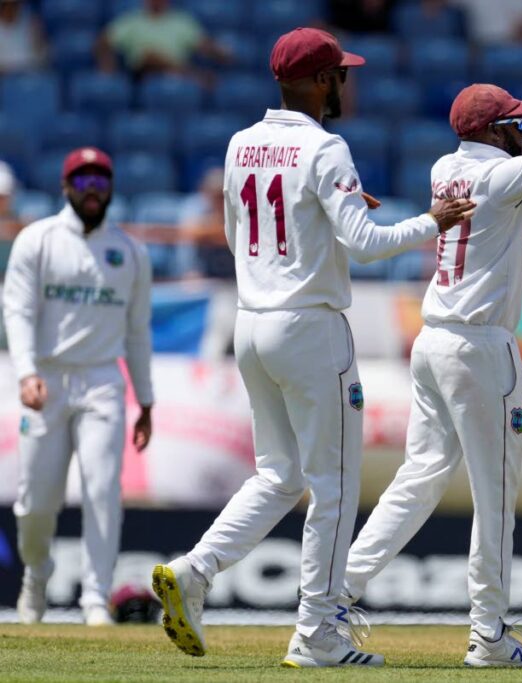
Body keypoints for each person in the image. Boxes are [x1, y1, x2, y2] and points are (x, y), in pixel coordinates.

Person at [150, 28, 473, 668]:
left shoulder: (242, 143)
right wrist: (431, 223)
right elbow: (365, 243)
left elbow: (236, 231)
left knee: (279, 475)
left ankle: (195, 569)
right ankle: (317, 632)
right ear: (323, 81)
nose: (345, 86)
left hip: (250, 321)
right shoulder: (327, 148)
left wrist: (315, 221)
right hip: (310, 327)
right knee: (335, 487)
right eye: (340, 76)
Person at [341, 35, 522, 667]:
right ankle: (490, 635)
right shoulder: (501, 174)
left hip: (433, 341)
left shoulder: (447, 166)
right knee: (496, 495)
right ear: (501, 130)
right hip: (480, 348)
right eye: (516, 121)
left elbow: (520, 131)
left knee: (418, 479)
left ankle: (334, 597)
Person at [4, 147, 154, 626]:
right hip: (46, 379)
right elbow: (18, 311)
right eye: (83, 182)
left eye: (101, 182)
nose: (93, 192)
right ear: (66, 187)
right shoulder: (38, 240)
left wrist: (146, 400)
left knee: (102, 488)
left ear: (111, 188)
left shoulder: (130, 251)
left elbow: (137, 331)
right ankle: (37, 574)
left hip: (102, 382)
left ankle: (95, 596)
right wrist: (26, 372)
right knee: (36, 502)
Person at [95, 0, 229, 79]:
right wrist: (106, 64)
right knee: (149, 56)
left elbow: (203, 44)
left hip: (177, 75)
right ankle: (191, 75)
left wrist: (219, 52)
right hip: (142, 74)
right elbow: (104, 41)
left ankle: (184, 73)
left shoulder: (181, 22)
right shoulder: (131, 21)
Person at [0, 0, 47, 75]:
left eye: (15, 5)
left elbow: (42, 56)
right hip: (6, 76)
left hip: (31, 72)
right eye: (7, 5)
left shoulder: (31, 22)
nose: (11, 8)